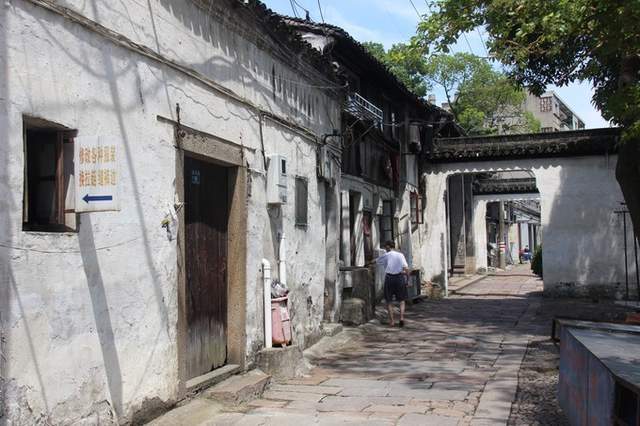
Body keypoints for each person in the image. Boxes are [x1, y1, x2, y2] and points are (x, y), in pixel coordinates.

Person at [375, 240, 410, 327]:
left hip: (390, 278)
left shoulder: (386, 255)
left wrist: (367, 263)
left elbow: (376, 261)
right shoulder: (400, 255)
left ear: (388, 246)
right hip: (400, 278)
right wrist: (407, 280)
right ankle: (401, 318)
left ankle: (392, 321)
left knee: (389, 301)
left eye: (385, 246)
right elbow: (406, 268)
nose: (385, 248)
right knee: (402, 300)